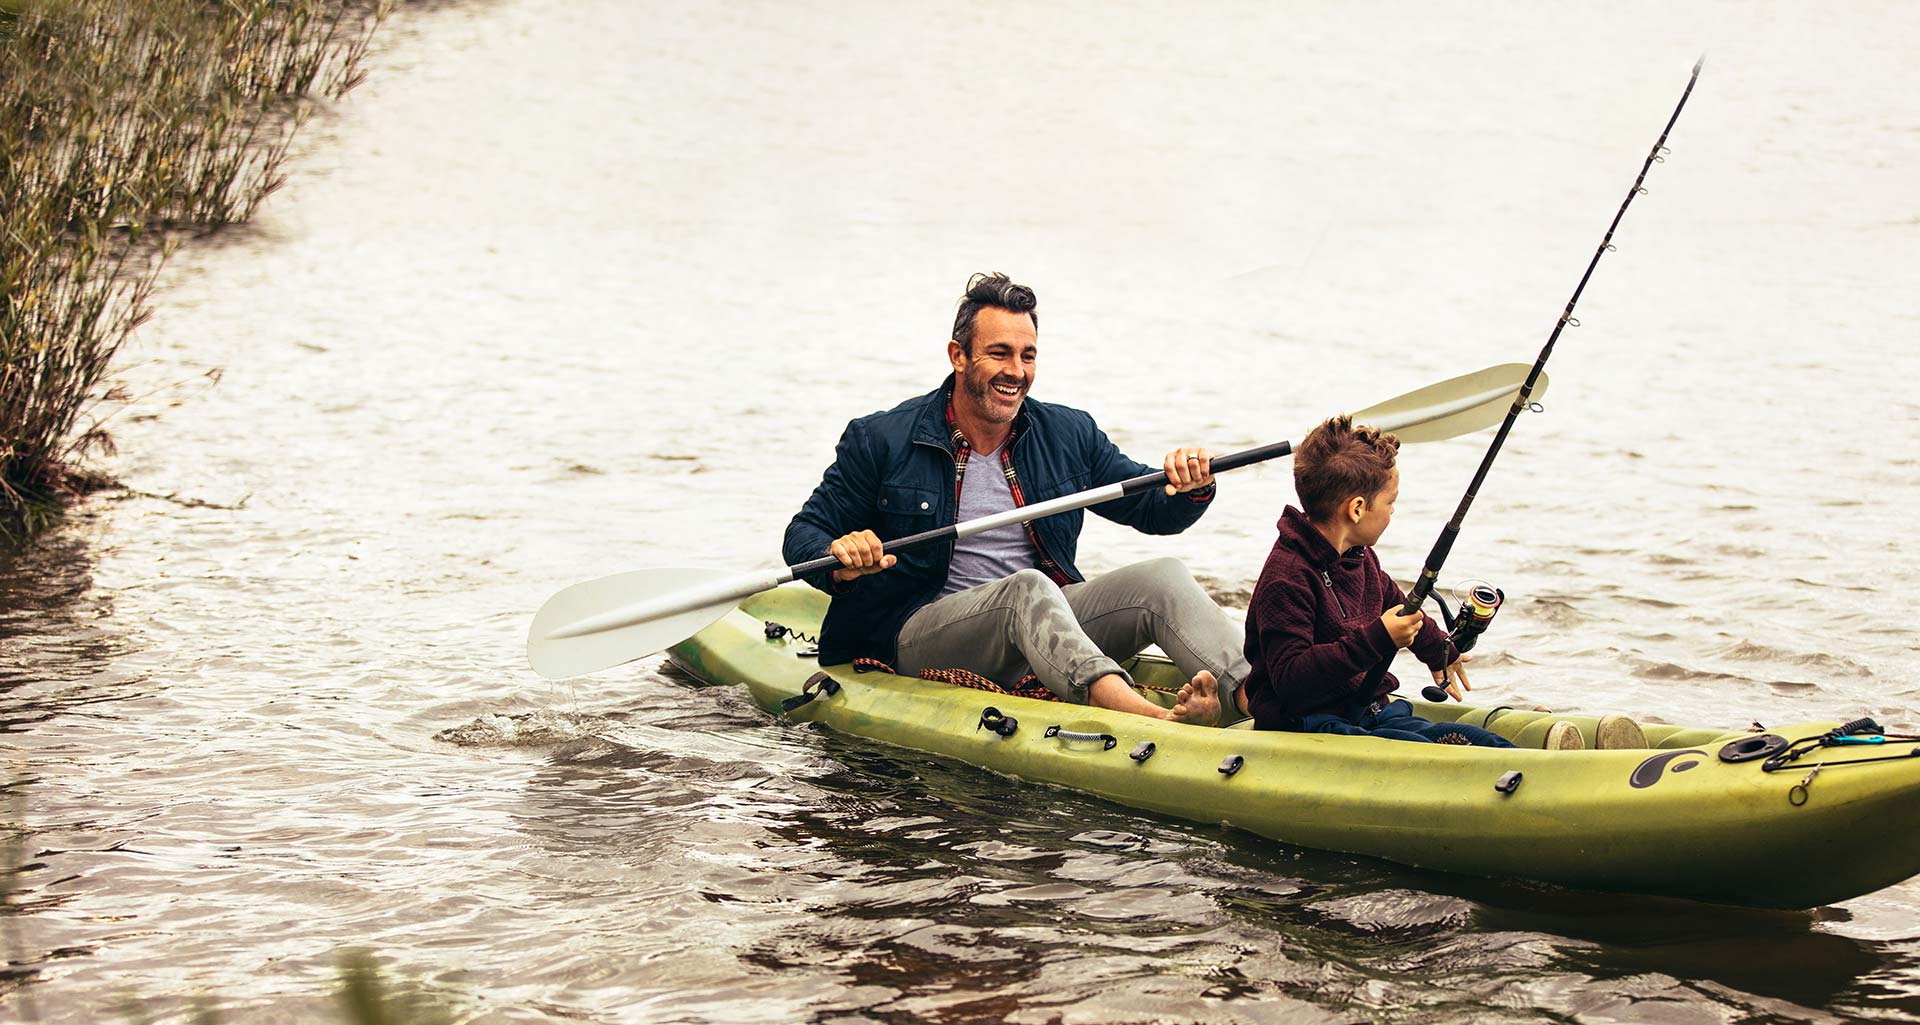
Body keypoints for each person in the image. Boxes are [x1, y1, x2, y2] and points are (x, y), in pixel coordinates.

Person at [783, 272, 1250, 725]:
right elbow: (803, 535)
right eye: (999, 353)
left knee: (1161, 576)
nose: (1016, 371)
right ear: (958, 356)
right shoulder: (881, 438)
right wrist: (840, 557)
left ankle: (1259, 695)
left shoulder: (1069, 433)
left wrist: (1192, 484)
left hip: (1045, 627)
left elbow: (1153, 510)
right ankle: (1149, 717)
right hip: (917, 635)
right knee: (1025, 588)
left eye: (1028, 355)